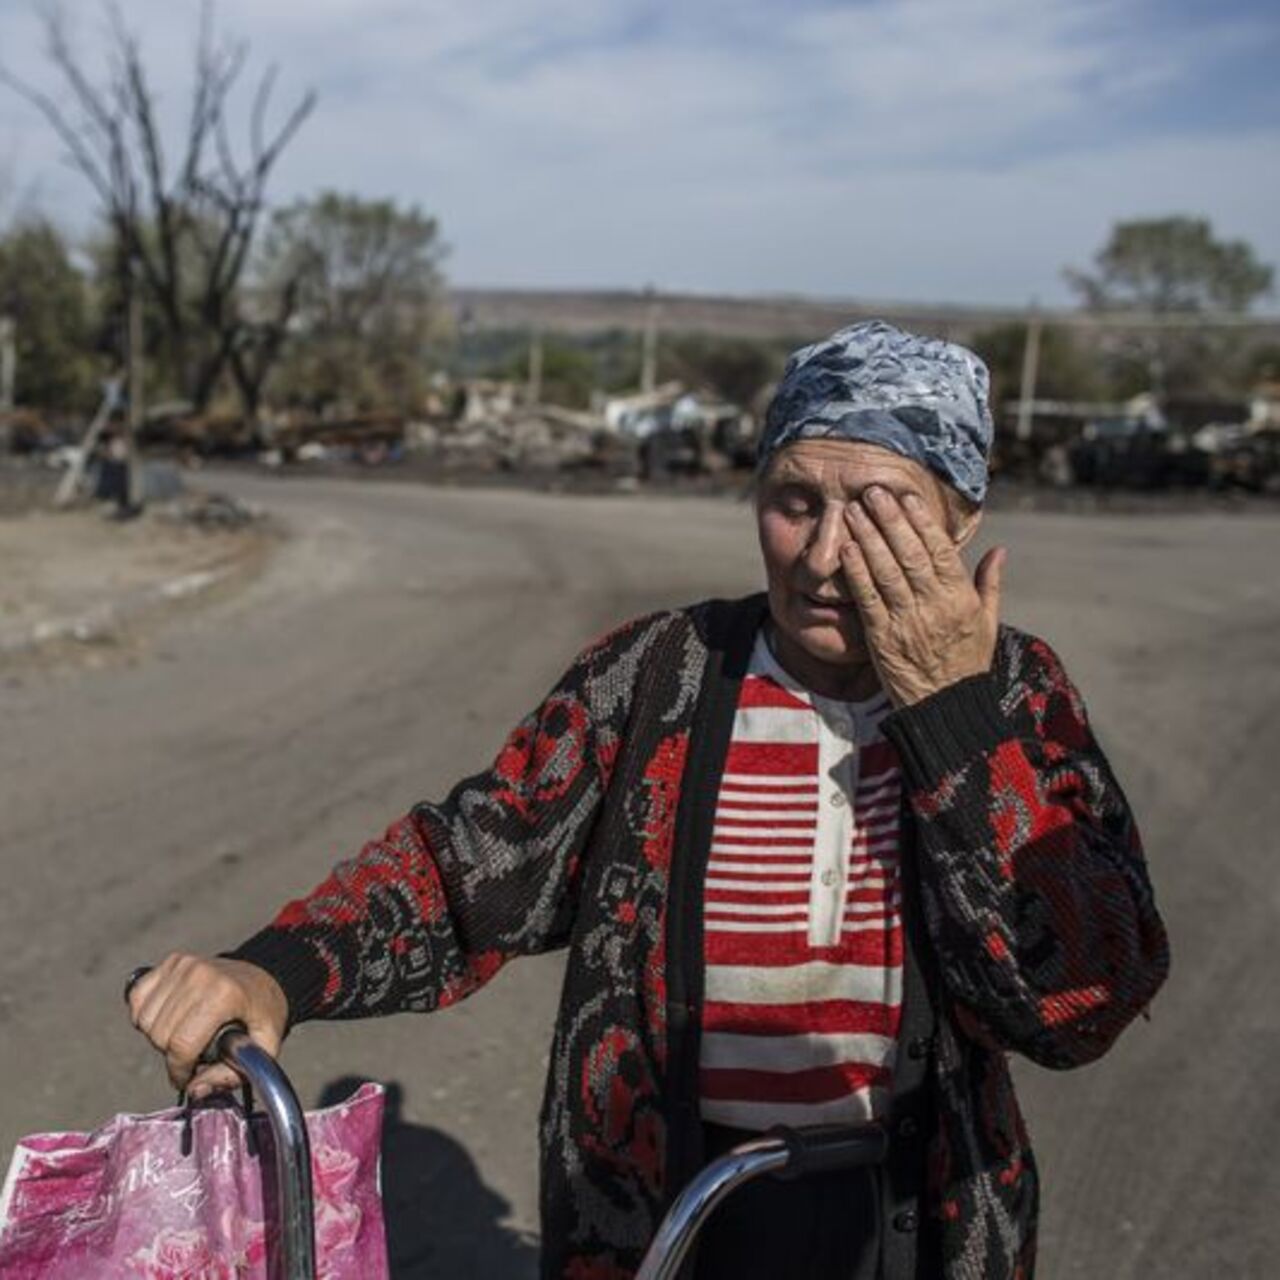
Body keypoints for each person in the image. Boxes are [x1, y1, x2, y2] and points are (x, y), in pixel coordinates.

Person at [128, 320, 1170, 1279]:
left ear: (960, 521)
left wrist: (949, 715)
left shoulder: (1017, 695)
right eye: (794, 500)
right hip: (666, 1223)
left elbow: (1079, 1000)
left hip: (913, 1225)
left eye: (881, 515)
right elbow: (467, 872)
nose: (820, 557)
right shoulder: (657, 674)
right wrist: (271, 972)